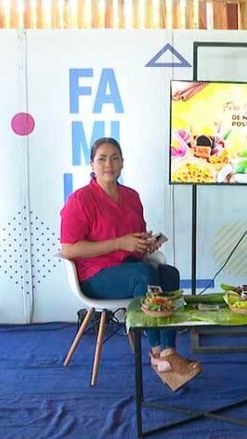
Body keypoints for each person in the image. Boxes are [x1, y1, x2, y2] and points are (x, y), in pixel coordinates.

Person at [60, 137, 200, 385]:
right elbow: (69, 249)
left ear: (122, 163)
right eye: (101, 158)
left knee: (169, 274)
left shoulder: (132, 197)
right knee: (143, 276)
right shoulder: (80, 200)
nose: (108, 164)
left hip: (126, 268)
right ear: (91, 164)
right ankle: (159, 354)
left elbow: (133, 245)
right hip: (95, 275)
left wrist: (145, 245)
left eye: (114, 158)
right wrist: (118, 243)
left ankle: (168, 352)